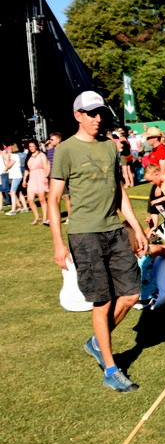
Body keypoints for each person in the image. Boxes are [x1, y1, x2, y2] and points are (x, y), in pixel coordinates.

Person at [48, 90, 148, 392]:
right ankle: (111, 367)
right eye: (91, 113)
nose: (97, 118)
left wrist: (136, 227)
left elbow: (119, 192)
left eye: (100, 112)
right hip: (84, 233)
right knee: (102, 302)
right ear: (77, 115)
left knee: (131, 295)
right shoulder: (65, 150)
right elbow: (53, 199)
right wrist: (57, 243)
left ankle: (96, 342)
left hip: (114, 230)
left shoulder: (109, 147)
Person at [24, 138, 50, 225]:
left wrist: (46, 177)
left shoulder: (42, 155)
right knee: (30, 199)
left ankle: (45, 218)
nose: (31, 148)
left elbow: (46, 166)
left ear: (36, 146)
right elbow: (27, 169)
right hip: (32, 178)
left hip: (40, 176)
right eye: (29, 146)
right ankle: (37, 217)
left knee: (42, 199)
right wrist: (24, 179)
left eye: (32, 146)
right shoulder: (29, 156)